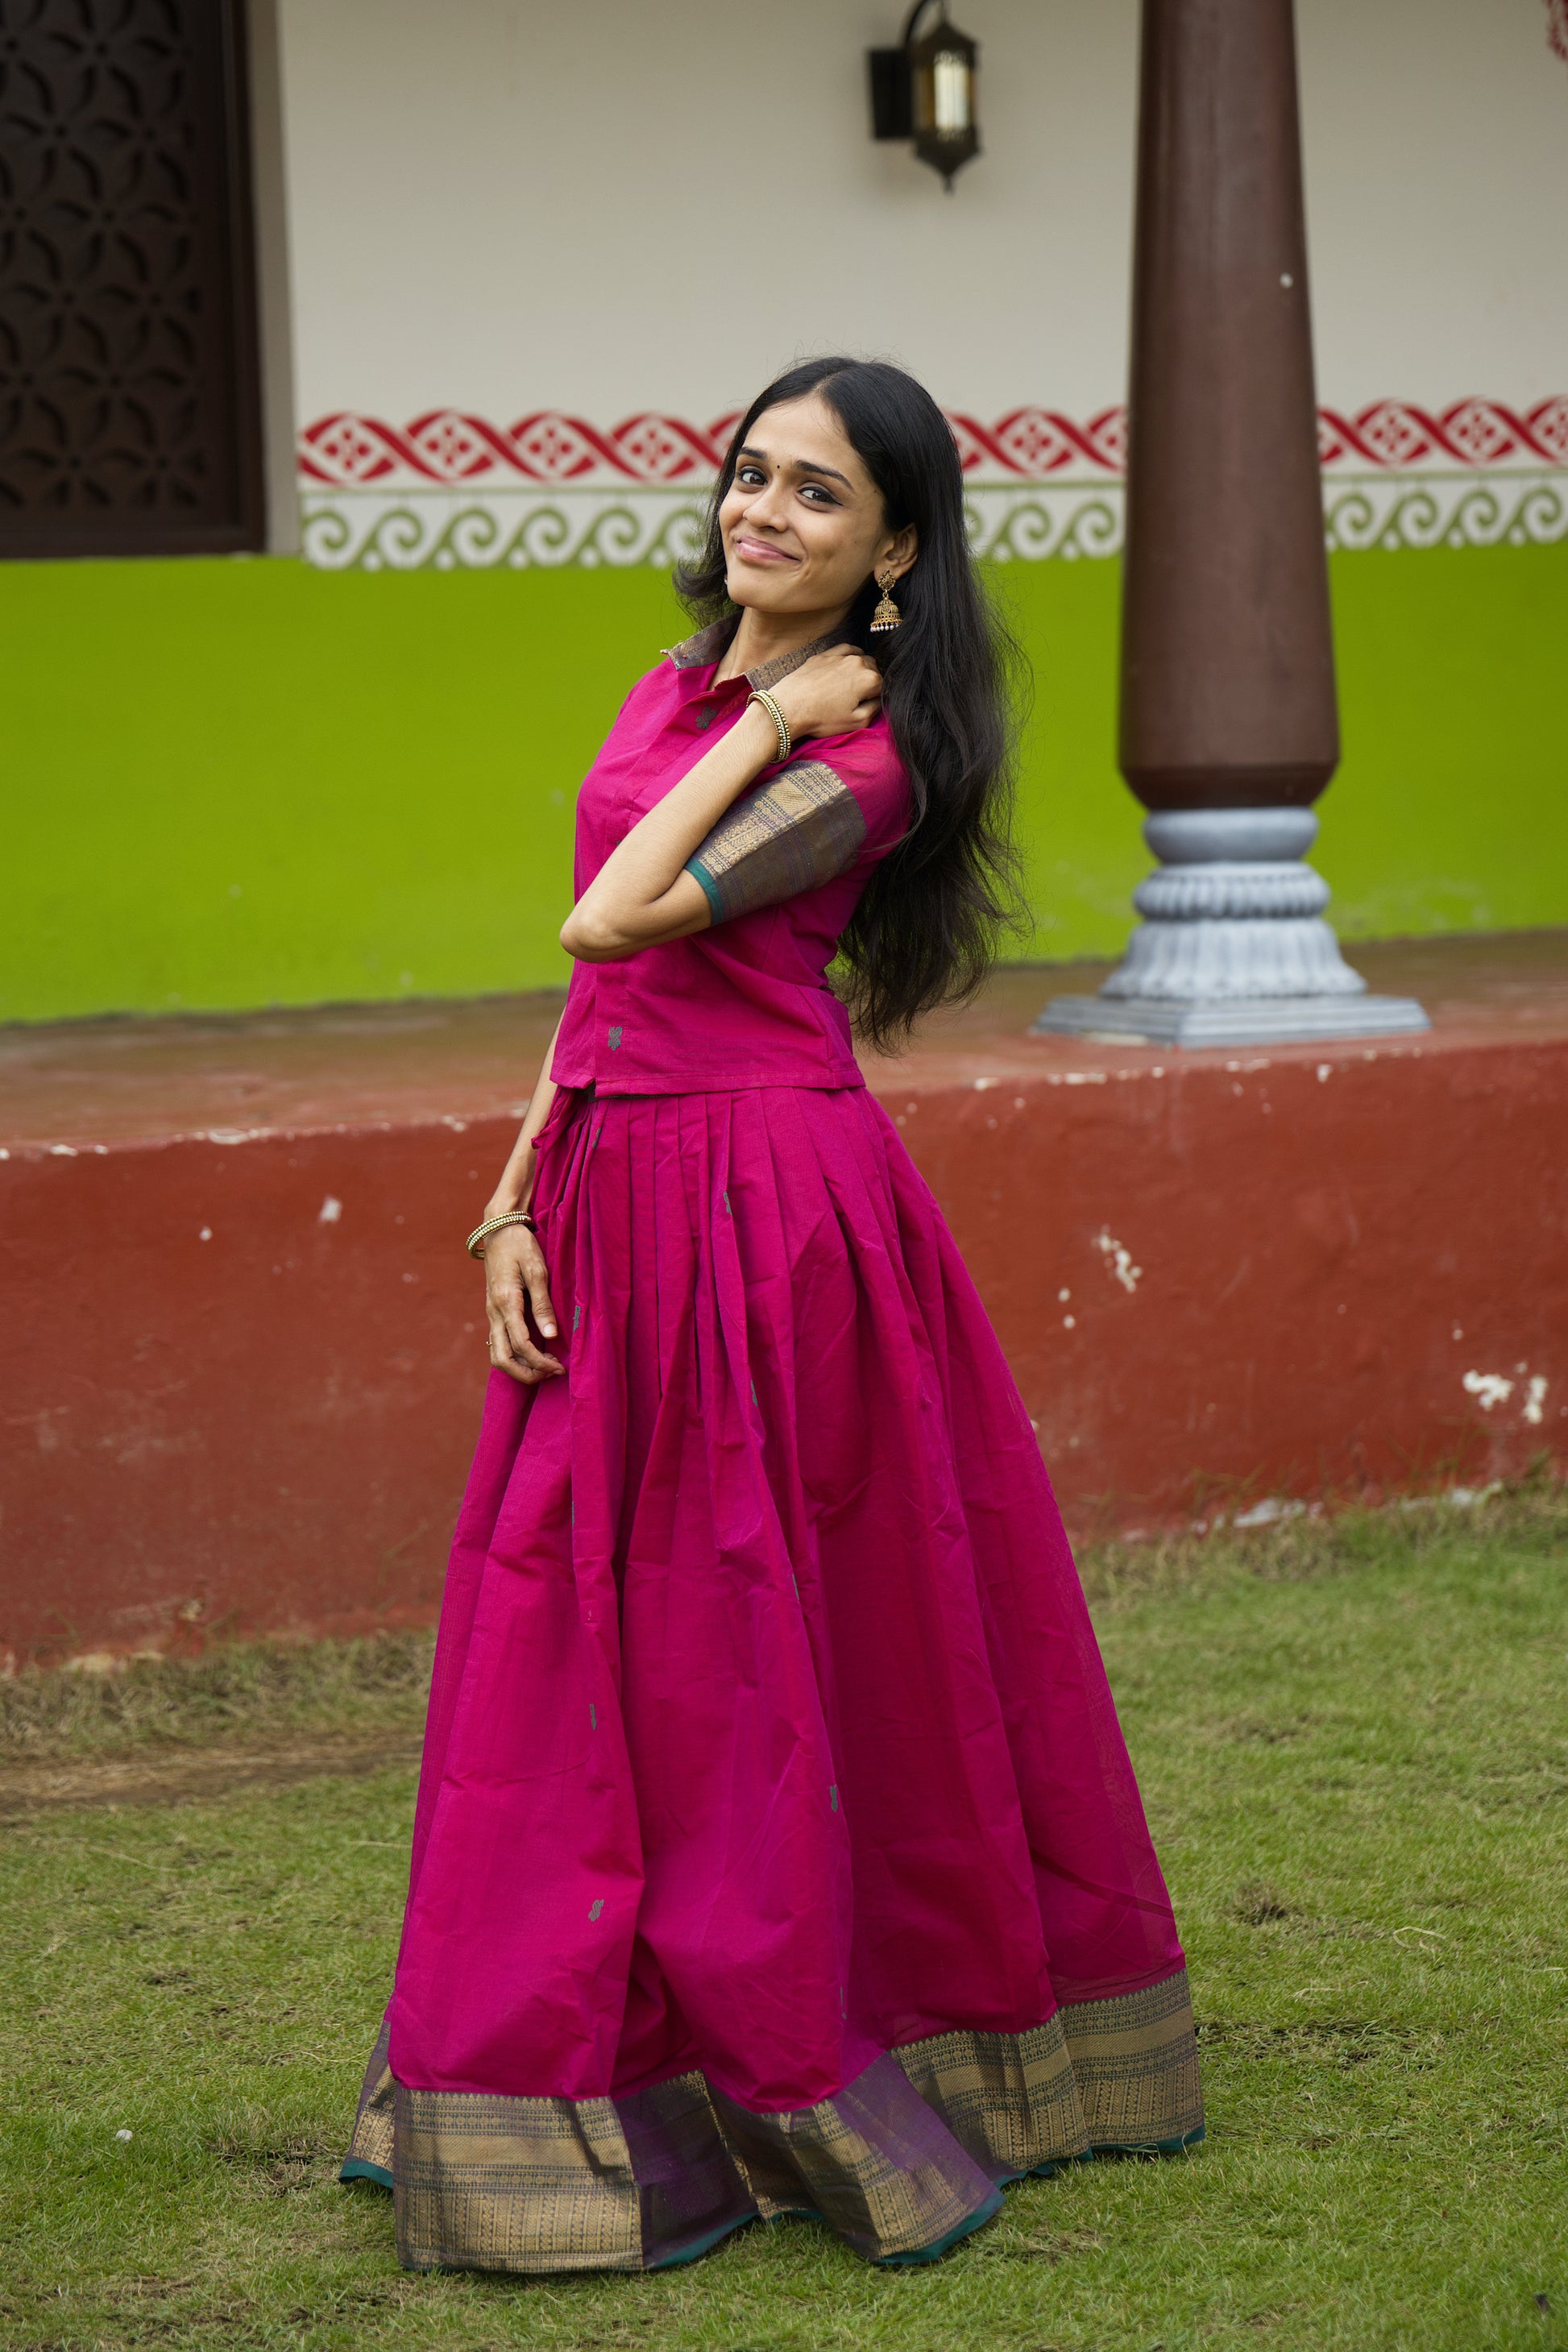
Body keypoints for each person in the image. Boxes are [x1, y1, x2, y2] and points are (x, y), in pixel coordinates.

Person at [341, 356, 1202, 2274]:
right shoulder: (671, 692)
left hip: (763, 1211)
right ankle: (588, 2066)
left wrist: (780, 719)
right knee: (574, 1634)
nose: (762, 512)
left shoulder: (864, 754)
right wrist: (504, 1197)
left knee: (748, 1632)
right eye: (751, 474)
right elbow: (590, 990)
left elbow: (616, 918)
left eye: (819, 495)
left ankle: (801, 2061)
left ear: (896, 549)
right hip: (611, 1181)